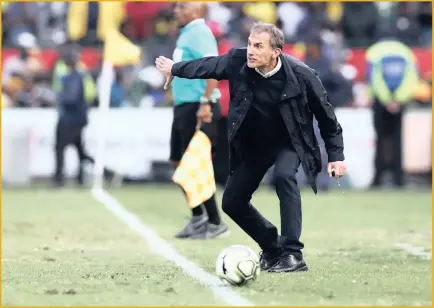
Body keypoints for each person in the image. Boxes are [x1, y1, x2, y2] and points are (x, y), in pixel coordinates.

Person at [156, 22, 346, 273]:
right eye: (249, 44)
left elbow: (327, 116)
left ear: (276, 51)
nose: (250, 51)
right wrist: (175, 68)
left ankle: (292, 254)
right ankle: (271, 247)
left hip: (289, 141)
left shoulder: (302, 74)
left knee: (284, 176)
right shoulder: (237, 61)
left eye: (259, 46)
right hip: (253, 144)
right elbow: (208, 65)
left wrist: (336, 155)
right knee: (232, 202)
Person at [168, 2, 229, 239]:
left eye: (182, 6)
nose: (176, 10)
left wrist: (205, 101)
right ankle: (198, 216)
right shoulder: (186, 34)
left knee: (194, 164)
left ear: (197, 9)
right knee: (177, 162)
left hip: (198, 105)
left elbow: (214, 68)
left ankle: (214, 221)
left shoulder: (201, 33)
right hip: (183, 105)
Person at [366, 39, 419, 189]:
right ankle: (398, 179)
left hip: (380, 103)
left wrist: (386, 100)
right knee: (397, 141)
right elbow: (411, 78)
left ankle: (377, 179)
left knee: (380, 141)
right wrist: (398, 100)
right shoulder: (406, 51)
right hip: (400, 102)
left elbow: (374, 78)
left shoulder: (374, 51)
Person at [52, 50, 93, 188]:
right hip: (76, 119)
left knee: (60, 149)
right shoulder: (78, 75)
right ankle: (82, 178)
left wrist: (59, 99)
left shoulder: (74, 77)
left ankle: (59, 179)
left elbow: (71, 98)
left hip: (70, 120)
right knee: (79, 150)